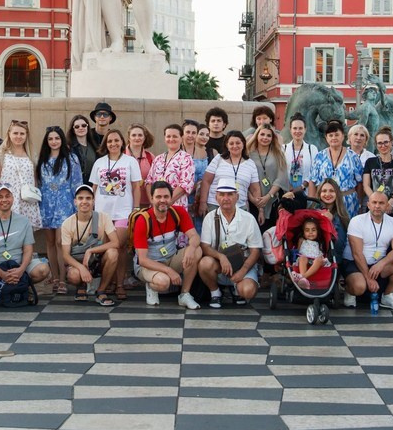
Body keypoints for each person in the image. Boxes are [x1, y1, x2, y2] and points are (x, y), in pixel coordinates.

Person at [132, 181, 202, 309]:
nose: (162, 200)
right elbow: (142, 260)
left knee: (197, 251)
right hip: (148, 265)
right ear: (152, 199)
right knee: (164, 282)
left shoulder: (178, 212)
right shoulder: (143, 220)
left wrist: (191, 248)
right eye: (158, 197)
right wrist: (169, 271)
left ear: (171, 198)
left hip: (170, 258)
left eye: (166, 196)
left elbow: (194, 236)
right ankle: (151, 286)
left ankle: (184, 294)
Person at [0, 183, 50, 304]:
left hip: (18, 264)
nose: (4, 200)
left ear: (13, 198)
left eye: (7, 196)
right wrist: (2, 274)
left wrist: (21, 270)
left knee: (43, 269)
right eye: (0, 197)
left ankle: (23, 286)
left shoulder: (24, 221)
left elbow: (28, 249)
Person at [89, 128, 141, 300]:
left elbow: (136, 187)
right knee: (106, 250)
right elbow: (94, 188)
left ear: (122, 142)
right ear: (106, 144)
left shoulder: (130, 161)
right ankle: (108, 283)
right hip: (102, 214)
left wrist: (136, 209)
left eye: (116, 140)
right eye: (110, 141)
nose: (113, 144)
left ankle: (119, 284)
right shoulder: (99, 162)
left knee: (119, 247)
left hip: (123, 212)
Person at [198, 176, 264, 307]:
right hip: (220, 266)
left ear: (237, 197)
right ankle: (215, 293)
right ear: (216, 197)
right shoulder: (209, 218)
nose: (226, 198)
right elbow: (205, 246)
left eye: (230, 194)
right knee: (204, 263)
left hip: (243, 264)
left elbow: (255, 251)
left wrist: (243, 271)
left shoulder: (249, 218)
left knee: (248, 291)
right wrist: (221, 257)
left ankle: (237, 290)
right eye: (222, 194)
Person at [343, 191, 393, 311]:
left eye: (381, 203)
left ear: (387, 205)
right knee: (359, 286)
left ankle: (388, 295)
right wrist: (368, 278)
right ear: (368, 204)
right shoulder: (357, 221)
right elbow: (357, 254)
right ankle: (349, 290)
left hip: (379, 263)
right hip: (355, 262)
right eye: (374, 202)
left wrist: (381, 264)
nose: (377, 206)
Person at [37, 125, 83, 295]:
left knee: (60, 242)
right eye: (50, 139)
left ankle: (63, 279)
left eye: (57, 138)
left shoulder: (71, 159)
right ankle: (55, 277)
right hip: (47, 205)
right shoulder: (42, 160)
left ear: (62, 140)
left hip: (65, 205)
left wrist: (78, 206)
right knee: (49, 242)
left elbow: (77, 184)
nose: (54, 141)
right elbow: (39, 184)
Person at [60, 183, 120, 306]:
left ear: (93, 201)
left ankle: (101, 290)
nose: (84, 202)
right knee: (74, 275)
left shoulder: (103, 217)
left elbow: (116, 242)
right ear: (75, 202)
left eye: (88, 198)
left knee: (113, 253)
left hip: (97, 261)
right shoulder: (67, 223)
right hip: (77, 262)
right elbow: (65, 255)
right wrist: (81, 268)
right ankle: (81, 286)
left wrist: (90, 251)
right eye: (80, 198)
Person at [306, 120, 365, 218]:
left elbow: (360, 182)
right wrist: (313, 203)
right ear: (326, 138)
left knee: (347, 227)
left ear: (343, 136)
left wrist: (359, 203)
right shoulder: (319, 156)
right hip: (324, 202)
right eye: (330, 135)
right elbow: (312, 181)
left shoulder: (353, 156)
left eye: (337, 135)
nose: (334, 138)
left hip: (348, 203)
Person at [0, 119, 41, 229]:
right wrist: (0, 199)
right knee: (5, 232)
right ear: (9, 134)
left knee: (25, 234)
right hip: (7, 200)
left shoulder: (31, 154)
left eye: (22, 134)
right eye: (15, 133)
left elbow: (34, 179)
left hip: (27, 201)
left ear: (26, 135)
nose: (19, 136)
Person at [197, 130, 262, 215]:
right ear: (227, 146)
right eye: (231, 143)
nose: (235, 146)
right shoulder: (218, 159)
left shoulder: (250, 163)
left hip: (240, 207)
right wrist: (203, 203)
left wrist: (260, 210)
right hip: (215, 205)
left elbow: (255, 189)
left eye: (238, 143)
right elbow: (206, 181)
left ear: (243, 144)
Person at [363, 127, 393, 226]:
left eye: (386, 142)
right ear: (376, 145)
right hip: (375, 207)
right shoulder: (370, 162)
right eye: (380, 143)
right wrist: (376, 201)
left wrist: (391, 202)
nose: (383, 146)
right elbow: (366, 185)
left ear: (391, 142)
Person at [247, 124, 289, 229]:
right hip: (253, 201)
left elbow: (281, 178)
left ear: (272, 138)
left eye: (268, 135)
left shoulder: (278, 154)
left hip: (273, 199)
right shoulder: (248, 154)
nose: (265, 138)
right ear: (257, 135)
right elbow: (244, 178)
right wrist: (253, 199)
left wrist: (269, 196)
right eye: (262, 134)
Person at [146, 123, 195, 211]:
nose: (171, 139)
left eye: (175, 136)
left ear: (181, 138)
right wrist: (153, 201)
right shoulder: (158, 158)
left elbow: (185, 184)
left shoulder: (186, 158)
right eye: (168, 136)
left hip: (176, 205)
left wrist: (166, 201)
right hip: (156, 207)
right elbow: (148, 181)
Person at [283, 113, 319, 196]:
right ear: (290, 130)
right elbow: (280, 171)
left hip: (306, 192)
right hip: (287, 191)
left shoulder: (312, 149)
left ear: (305, 129)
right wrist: (289, 186)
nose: (297, 131)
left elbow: (314, 171)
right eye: (295, 128)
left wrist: (302, 186)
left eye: (300, 128)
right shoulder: (283, 149)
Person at [125, 123, 156, 209]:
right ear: (129, 138)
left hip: (145, 203)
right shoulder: (121, 155)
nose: (137, 138)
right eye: (134, 135)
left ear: (144, 138)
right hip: (125, 202)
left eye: (140, 135)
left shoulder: (150, 157)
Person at [293, 217, 328, 287]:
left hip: (316, 261)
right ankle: (303, 280)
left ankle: (302, 277)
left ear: (317, 231)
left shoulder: (320, 242)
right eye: (307, 230)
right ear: (303, 232)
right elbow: (298, 252)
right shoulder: (302, 240)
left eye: (313, 230)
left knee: (319, 260)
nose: (310, 232)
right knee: (302, 257)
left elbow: (322, 253)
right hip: (304, 259)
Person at [67, 114, 98, 178]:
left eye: (83, 125)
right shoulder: (69, 147)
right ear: (73, 130)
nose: (81, 128)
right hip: (75, 181)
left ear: (87, 127)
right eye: (77, 126)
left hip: (92, 181)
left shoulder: (94, 146)